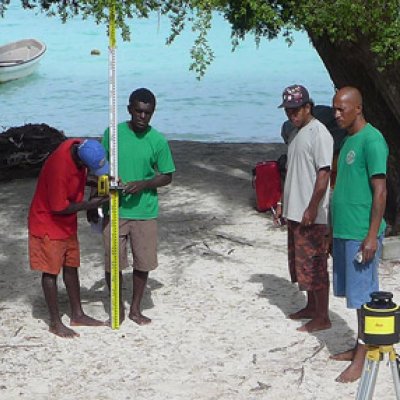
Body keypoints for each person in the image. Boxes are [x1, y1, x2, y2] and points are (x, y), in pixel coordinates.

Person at [94, 87, 176, 326]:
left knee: (144, 262)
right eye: (138, 111)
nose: (142, 117)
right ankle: (117, 305)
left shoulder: (157, 140)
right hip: (116, 209)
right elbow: (99, 167)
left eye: (147, 113)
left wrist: (144, 184)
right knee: (113, 261)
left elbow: (167, 175)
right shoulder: (113, 133)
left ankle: (136, 308)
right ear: (130, 109)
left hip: (145, 211)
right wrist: (96, 199)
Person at [330, 86, 388, 383]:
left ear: (358, 108)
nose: (336, 114)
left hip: (360, 232)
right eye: (335, 108)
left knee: (365, 296)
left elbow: (380, 191)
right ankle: (358, 347)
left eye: (341, 109)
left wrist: (372, 235)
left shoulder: (372, 139)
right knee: (353, 296)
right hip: (343, 230)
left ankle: (363, 358)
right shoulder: (349, 139)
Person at [28, 139, 110, 338]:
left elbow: (82, 176)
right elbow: (59, 208)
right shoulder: (59, 168)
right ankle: (55, 323)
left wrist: (103, 181)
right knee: (50, 271)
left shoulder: (79, 146)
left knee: (71, 265)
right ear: (82, 162)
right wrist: (91, 205)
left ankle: (77, 314)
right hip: (47, 222)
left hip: (66, 224)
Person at [275, 84, 333, 332]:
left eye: (296, 110)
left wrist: (312, 208)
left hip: (312, 214)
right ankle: (310, 306)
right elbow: (294, 173)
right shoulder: (295, 133)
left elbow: (324, 174)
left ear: (308, 107)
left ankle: (322, 315)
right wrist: (282, 203)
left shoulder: (318, 133)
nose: (292, 115)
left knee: (316, 264)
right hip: (295, 210)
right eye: (288, 111)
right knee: (302, 263)